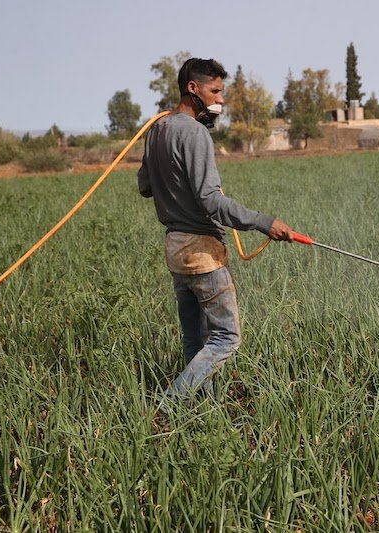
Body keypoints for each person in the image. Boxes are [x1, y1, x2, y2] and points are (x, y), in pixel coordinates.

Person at [138, 57, 294, 405]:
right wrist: (265, 222)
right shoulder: (192, 132)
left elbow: (145, 186)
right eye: (215, 91)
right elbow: (211, 202)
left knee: (195, 342)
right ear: (192, 89)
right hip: (202, 251)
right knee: (226, 338)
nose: (219, 101)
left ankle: (201, 414)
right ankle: (168, 406)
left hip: (176, 250)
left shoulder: (157, 130)